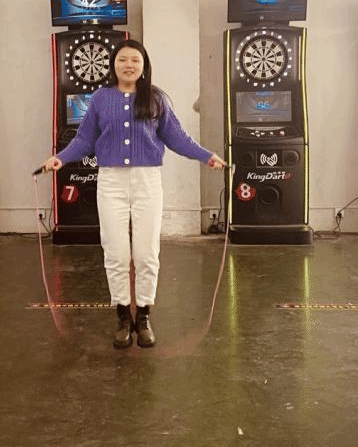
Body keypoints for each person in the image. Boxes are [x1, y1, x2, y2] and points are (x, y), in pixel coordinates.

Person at [42, 39, 226, 349]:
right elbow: (85, 139)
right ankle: (122, 317)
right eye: (123, 59)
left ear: (144, 66)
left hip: (147, 181)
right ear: (113, 64)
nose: (129, 65)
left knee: (146, 254)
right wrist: (60, 158)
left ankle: (143, 316)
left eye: (135, 60)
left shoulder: (155, 98)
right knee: (116, 253)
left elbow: (177, 138)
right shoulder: (101, 98)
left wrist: (206, 156)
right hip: (111, 182)